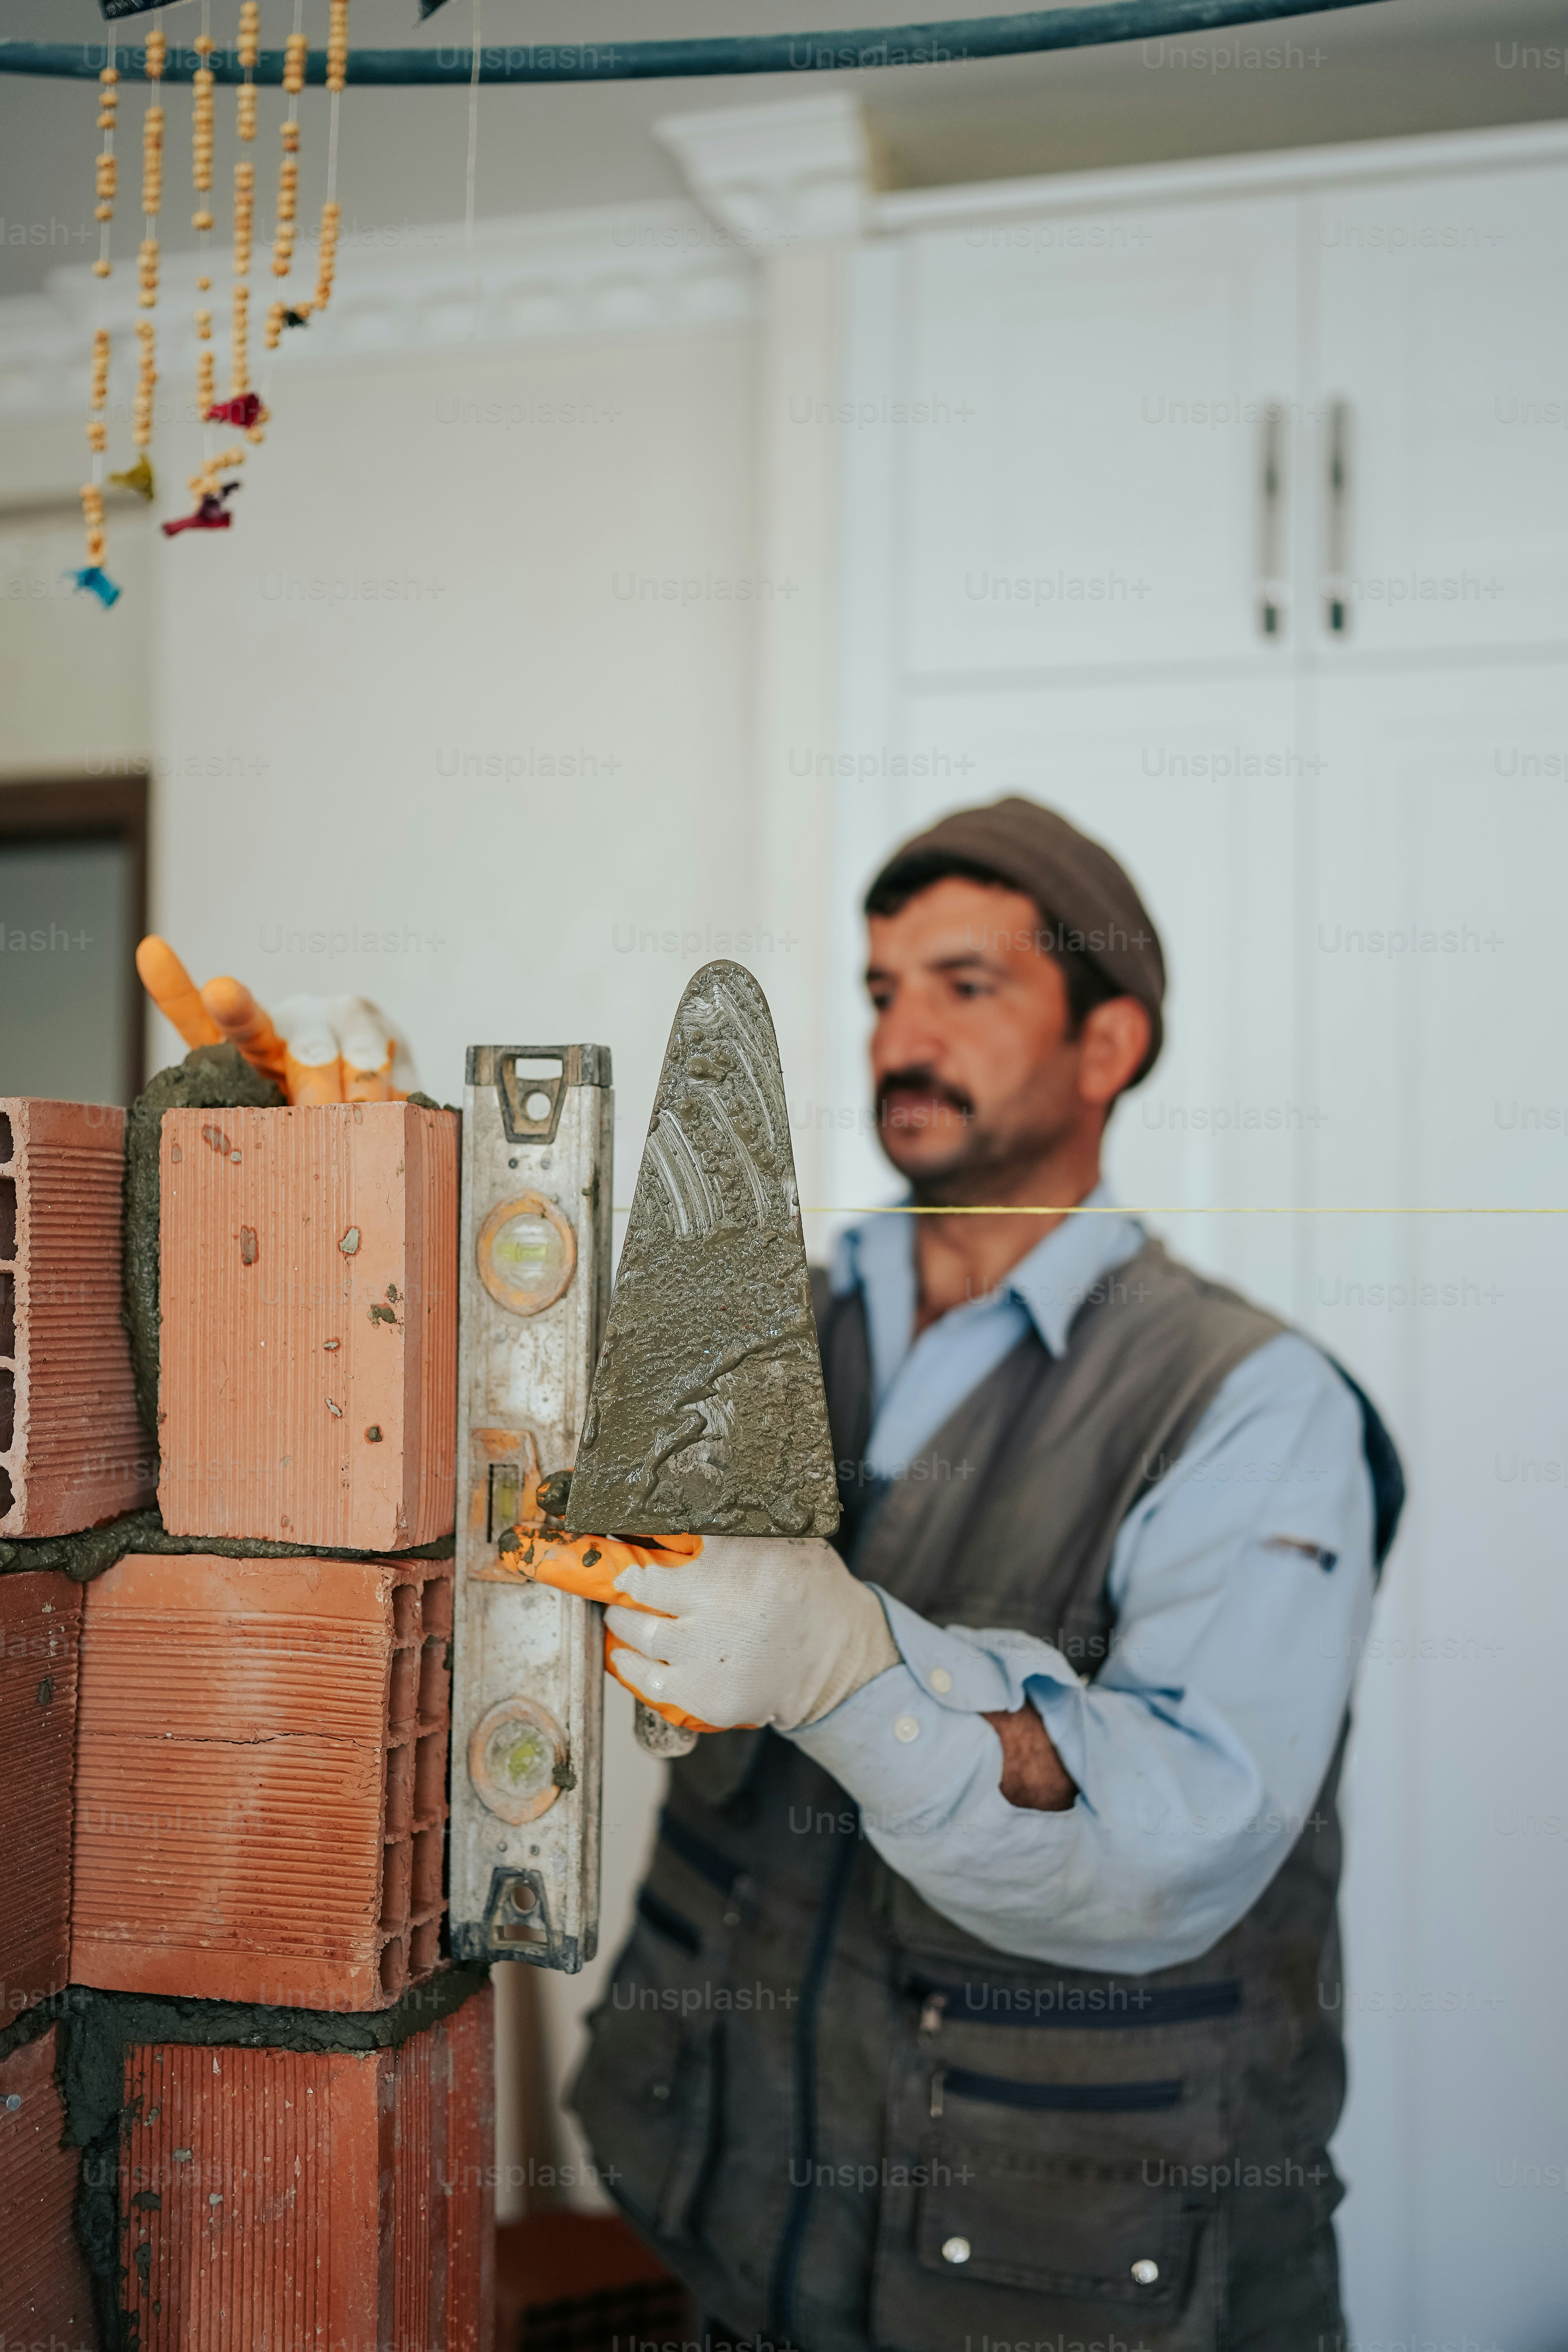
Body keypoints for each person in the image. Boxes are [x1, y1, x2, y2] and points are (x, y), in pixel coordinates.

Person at [572, 795, 1403, 2352]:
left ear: (1108, 1048)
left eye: (969, 986)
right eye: (885, 990)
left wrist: (849, 1672)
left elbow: (1184, 1835)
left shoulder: (1251, 1404)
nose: (902, 1036)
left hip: (1062, 2277)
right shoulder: (770, 1333)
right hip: (727, 2225)